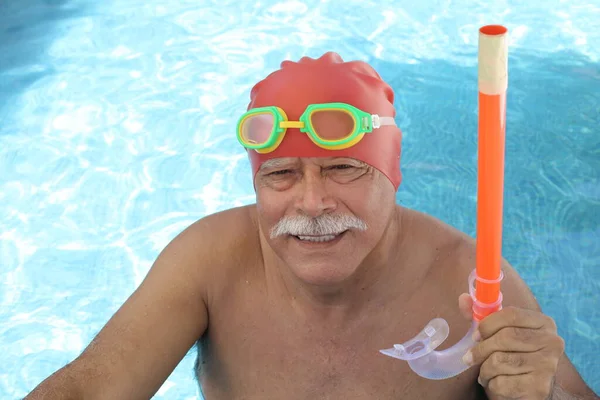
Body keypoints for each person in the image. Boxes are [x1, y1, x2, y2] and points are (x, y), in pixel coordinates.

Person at [25, 52, 598, 400]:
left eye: (344, 168)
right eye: (280, 175)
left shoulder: (473, 281)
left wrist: (542, 391)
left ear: (391, 175)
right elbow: (91, 388)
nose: (312, 202)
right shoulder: (208, 262)